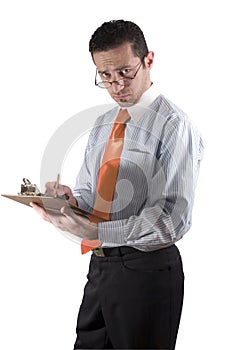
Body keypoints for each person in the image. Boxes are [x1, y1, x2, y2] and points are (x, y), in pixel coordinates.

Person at [31, 20, 204, 349]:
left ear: (148, 60)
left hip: (147, 271)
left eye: (125, 72)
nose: (116, 85)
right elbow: (90, 194)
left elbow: (173, 220)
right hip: (101, 267)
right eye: (105, 76)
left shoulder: (174, 126)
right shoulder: (103, 123)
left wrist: (98, 233)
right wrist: (69, 200)